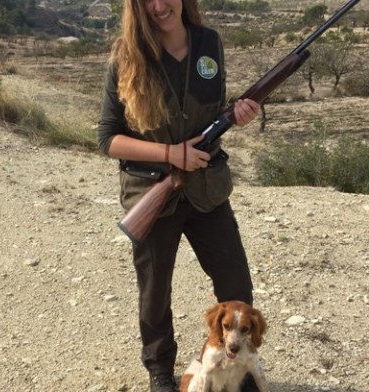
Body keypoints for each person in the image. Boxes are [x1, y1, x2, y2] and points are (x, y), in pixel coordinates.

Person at [97, 0, 261, 391]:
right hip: (153, 189)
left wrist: (235, 114)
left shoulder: (209, 43)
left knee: (235, 282)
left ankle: (236, 360)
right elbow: (107, 138)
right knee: (155, 291)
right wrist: (171, 155)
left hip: (206, 190)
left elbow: (210, 113)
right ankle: (159, 369)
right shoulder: (127, 56)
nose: (158, 6)